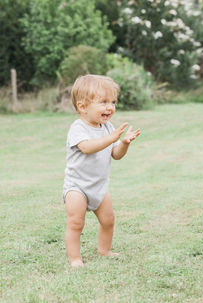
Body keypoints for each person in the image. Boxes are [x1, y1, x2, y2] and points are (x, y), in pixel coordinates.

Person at [63, 74, 141, 267]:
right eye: (103, 102)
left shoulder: (108, 128)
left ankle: (104, 250)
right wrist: (112, 138)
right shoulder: (78, 128)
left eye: (113, 102)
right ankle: (75, 259)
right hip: (77, 187)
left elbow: (115, 154)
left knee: (108, 220)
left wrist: (123, 143)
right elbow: (87, 147)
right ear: (82, 107)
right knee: (76, 222)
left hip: (99, 186)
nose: (110, 107)